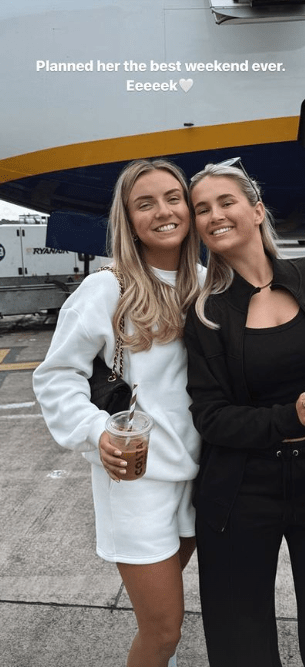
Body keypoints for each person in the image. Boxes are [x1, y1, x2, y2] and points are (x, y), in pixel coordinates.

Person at [184, 159, 305, 667]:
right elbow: (212, 417)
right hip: (240, 486)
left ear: (256, 209)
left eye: (226, 202)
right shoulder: (206, 311)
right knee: (238, 640)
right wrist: (289, 417)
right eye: (202, 209)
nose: (214, 216)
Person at [33, 158, 205, 667]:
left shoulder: (206, 281)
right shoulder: (108, 287)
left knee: (168, 623)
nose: (164, 211)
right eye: (145, 203)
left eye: (173, 198)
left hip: (199, 474)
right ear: (128, 220)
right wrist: (94, 431)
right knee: (163, 629)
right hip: (137, 478)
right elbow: (56, 374)